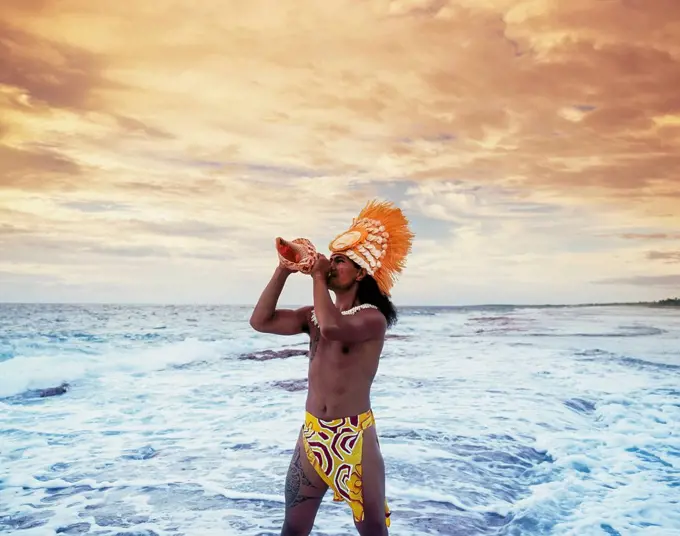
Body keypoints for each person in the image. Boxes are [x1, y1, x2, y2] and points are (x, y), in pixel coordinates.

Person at [249, 200, 414, 536]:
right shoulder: (314, 314)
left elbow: (333, 328)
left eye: (339, 262)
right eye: (332, 260)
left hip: (353, 440)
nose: (331, 266)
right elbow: (260, 321)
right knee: (293, 529)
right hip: (313, 437)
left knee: (373, 533)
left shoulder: (372, 318)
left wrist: (316, 274)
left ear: (361, 273)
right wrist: (284, 267)